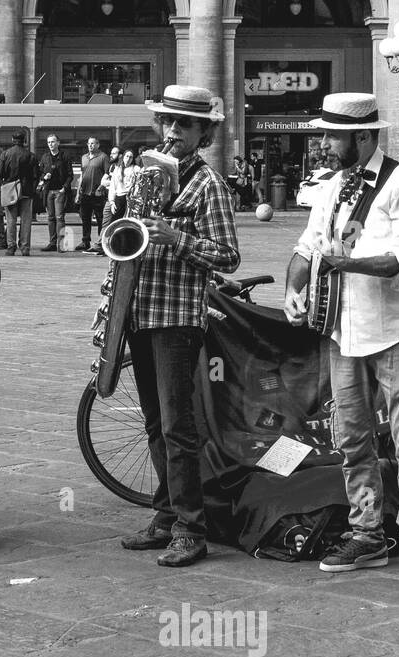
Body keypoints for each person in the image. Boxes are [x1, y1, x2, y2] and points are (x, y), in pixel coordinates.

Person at [282, 92, 399, 586]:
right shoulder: (330, 187)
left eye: (332, 135)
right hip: (342, 332)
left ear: (364, 136)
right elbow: (306, 249)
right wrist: (294, 288)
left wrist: (341, 262)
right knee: (351, 439)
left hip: (395, 333)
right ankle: (367, 534)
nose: (324, 144)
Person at [116, 85, 239, 568]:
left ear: (203, 132)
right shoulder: (146, 172)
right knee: (153, 423)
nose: (173, 132)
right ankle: (165, 515)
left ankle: (192, 528)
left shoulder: (209, 185)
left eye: (184, 125)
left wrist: (177, 237)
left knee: (177, 425)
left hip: (176, 316)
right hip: (138, 308)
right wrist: (120, 203)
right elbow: (118, 231)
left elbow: (227, 255)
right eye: (168, 122)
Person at [0, 130, 37, 257]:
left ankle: (11, 247)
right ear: (24, 141)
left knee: (11, 220)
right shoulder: (31, 155)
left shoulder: (6, 154)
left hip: (10, 190)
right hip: (26, 191)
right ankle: (25, 248)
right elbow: (36, 175)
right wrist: (32, 189)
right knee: (26, 220)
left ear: (13, 140)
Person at [37, 134, 73, 252]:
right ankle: (52, 243)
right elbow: (40, 173)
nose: (50, 144)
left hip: (59, 191)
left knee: (59, 217)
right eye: (48, 142)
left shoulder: (65, 156)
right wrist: (44, 177)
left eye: (53, 142)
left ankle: (61, 244)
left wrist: (64, 188)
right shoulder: (45, 157)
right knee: (51, 217)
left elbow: (70, 175)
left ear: (58, 143)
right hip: (48, 191)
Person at [76, 137, 109, 254]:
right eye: (89, 143)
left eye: (93, 143)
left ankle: (101, 243)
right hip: (85, 193)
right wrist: (78, 191)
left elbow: (107, 174)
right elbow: (82, 173)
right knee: (85, 219)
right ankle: (85, 241)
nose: (90, 145)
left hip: (98, 193)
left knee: (100, 219)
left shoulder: (103, 157)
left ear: (98, 145)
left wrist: (101, 188)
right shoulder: (84, 157)